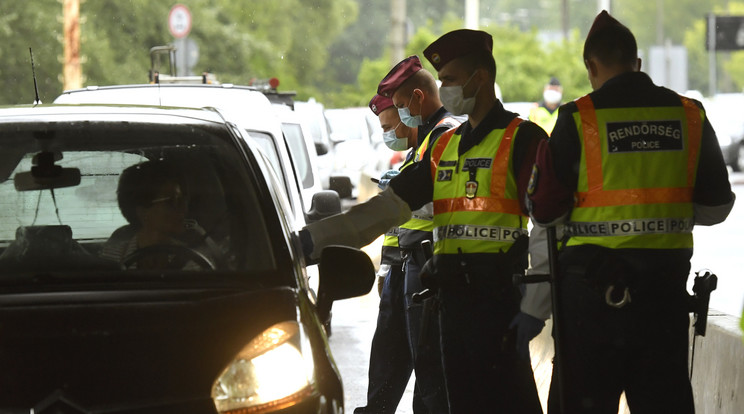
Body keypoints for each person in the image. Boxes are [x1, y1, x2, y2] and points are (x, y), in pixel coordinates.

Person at [301, 29, 548, 413]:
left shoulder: (522, 139)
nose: (444, 89)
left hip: (499, 305)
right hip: (448, 305)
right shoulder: (443, 147)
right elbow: (383, 211)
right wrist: (308, 242)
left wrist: (536, 306)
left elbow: (549, 224)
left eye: (449, 79)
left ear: (479, 78)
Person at [526, 11, 735, 414]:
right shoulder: (689, 115)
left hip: (590, 307)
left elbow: (546, 213)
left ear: (591, 66)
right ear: (637, 64)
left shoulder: (577, 118)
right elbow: (716, 208)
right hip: (662, 302)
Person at [375, 55, 461, 414]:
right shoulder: (426, 139)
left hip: (428, 264)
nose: (393, 124)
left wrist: (400, 193)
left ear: (416, 98)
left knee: (429, 374)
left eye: (396, 110)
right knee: (391, 366)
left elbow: (438, 200)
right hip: (407, 265)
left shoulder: (446, 134)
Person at [355, 93, 421, 414]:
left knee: (423, 374)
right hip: (400, 273)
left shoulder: (437, 145)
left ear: (405, 115)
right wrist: (387, 269)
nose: (387, 134)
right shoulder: (411, 157)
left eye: (388, 125)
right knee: (385, 366)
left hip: (421, 273)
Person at [101, 160, 217, 269]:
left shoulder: (196, 260)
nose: (183, 208)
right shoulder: (113, 255)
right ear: (142, 212)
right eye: (171, 201)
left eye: (183, 200)